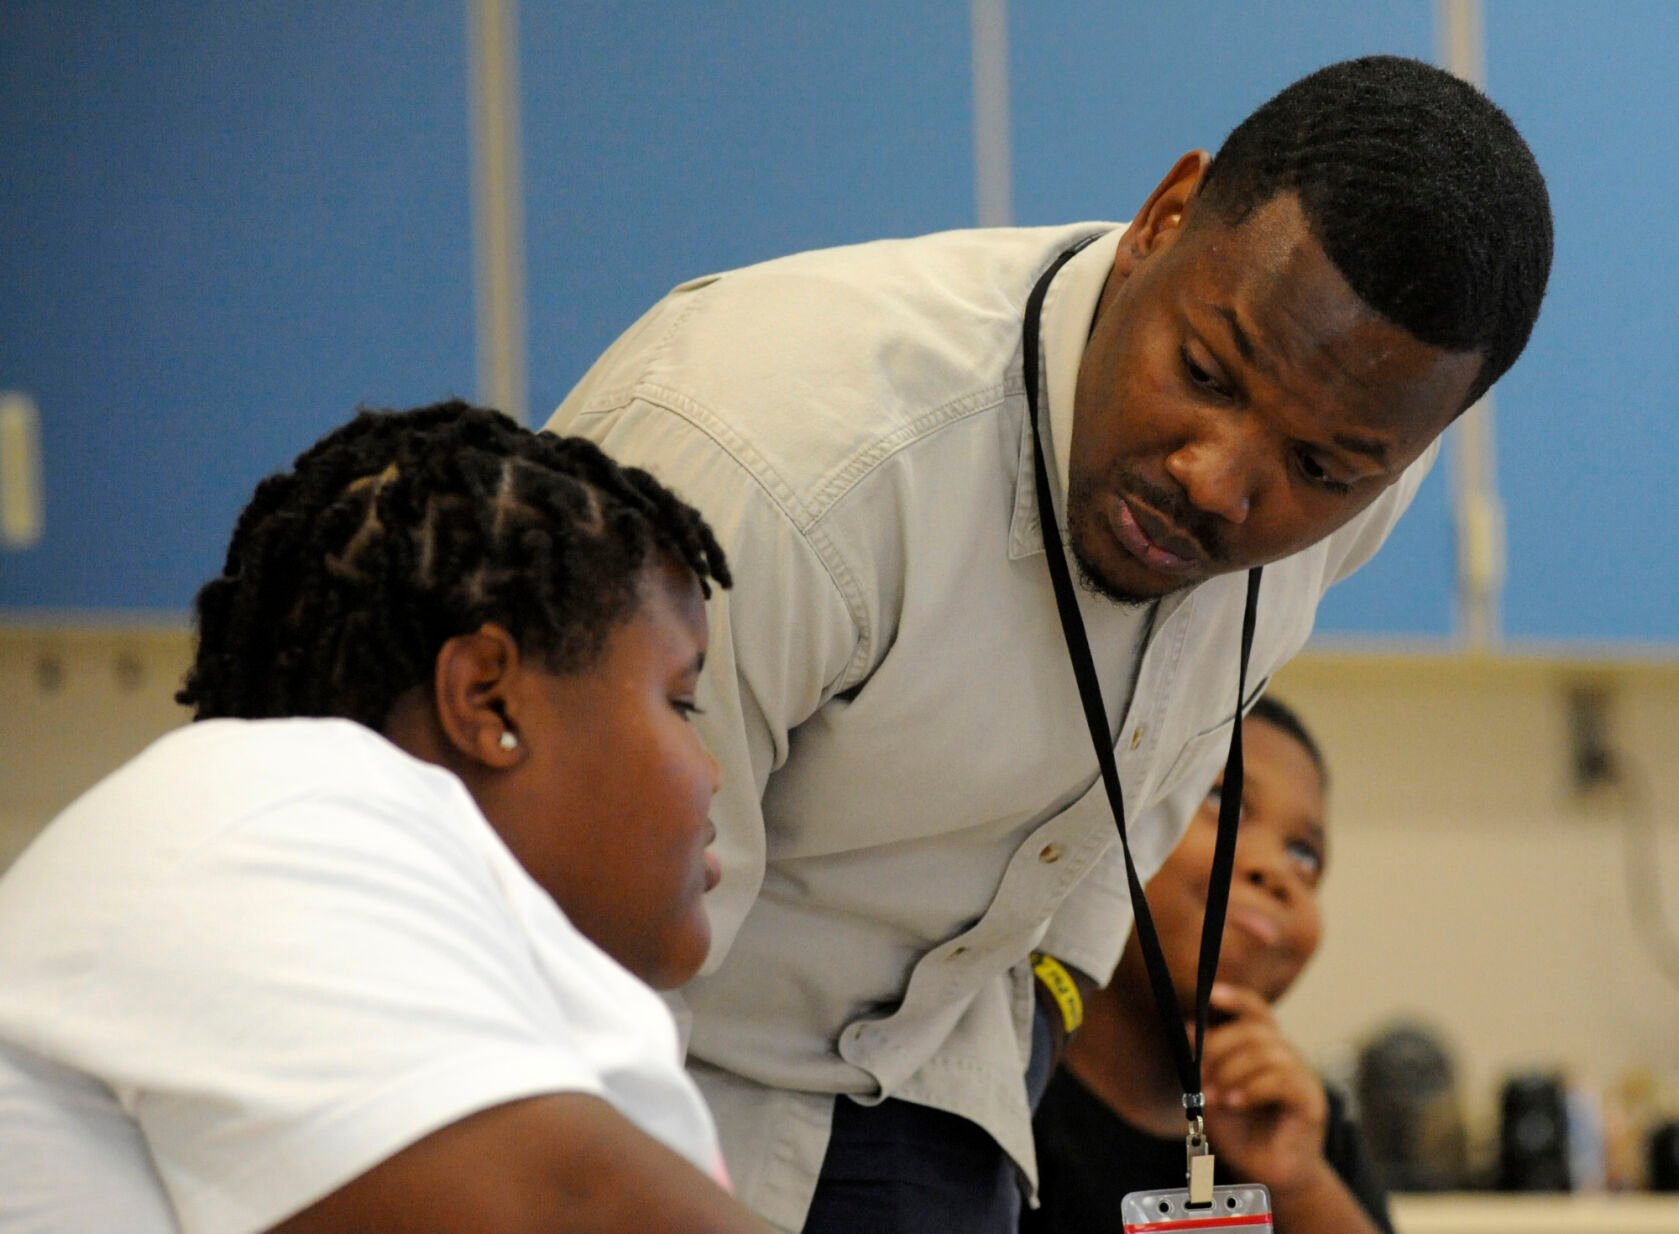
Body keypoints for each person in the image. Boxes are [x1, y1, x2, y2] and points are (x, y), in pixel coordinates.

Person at [546, 55, 1552, 1233]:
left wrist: (1045, 998)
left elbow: (1157, 744)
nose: (1215, 480)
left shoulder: (1364, 435)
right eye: (1204, 372)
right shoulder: (778, 464)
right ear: (1163, 218)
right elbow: (571, 970)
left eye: (1319, 469)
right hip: (674, 1086)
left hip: (949, 1089)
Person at [0, 402, 776, 1234]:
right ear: (486, 697)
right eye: (680, 703)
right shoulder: (267, 818)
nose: (711, 774)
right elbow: (570, 1211)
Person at [1024, 696, 1392, 1234]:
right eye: (1225, 801)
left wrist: (1300, 1185)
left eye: (1304, 855)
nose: (1275, 869)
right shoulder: (1007, 1091)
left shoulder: (1305, 1124)